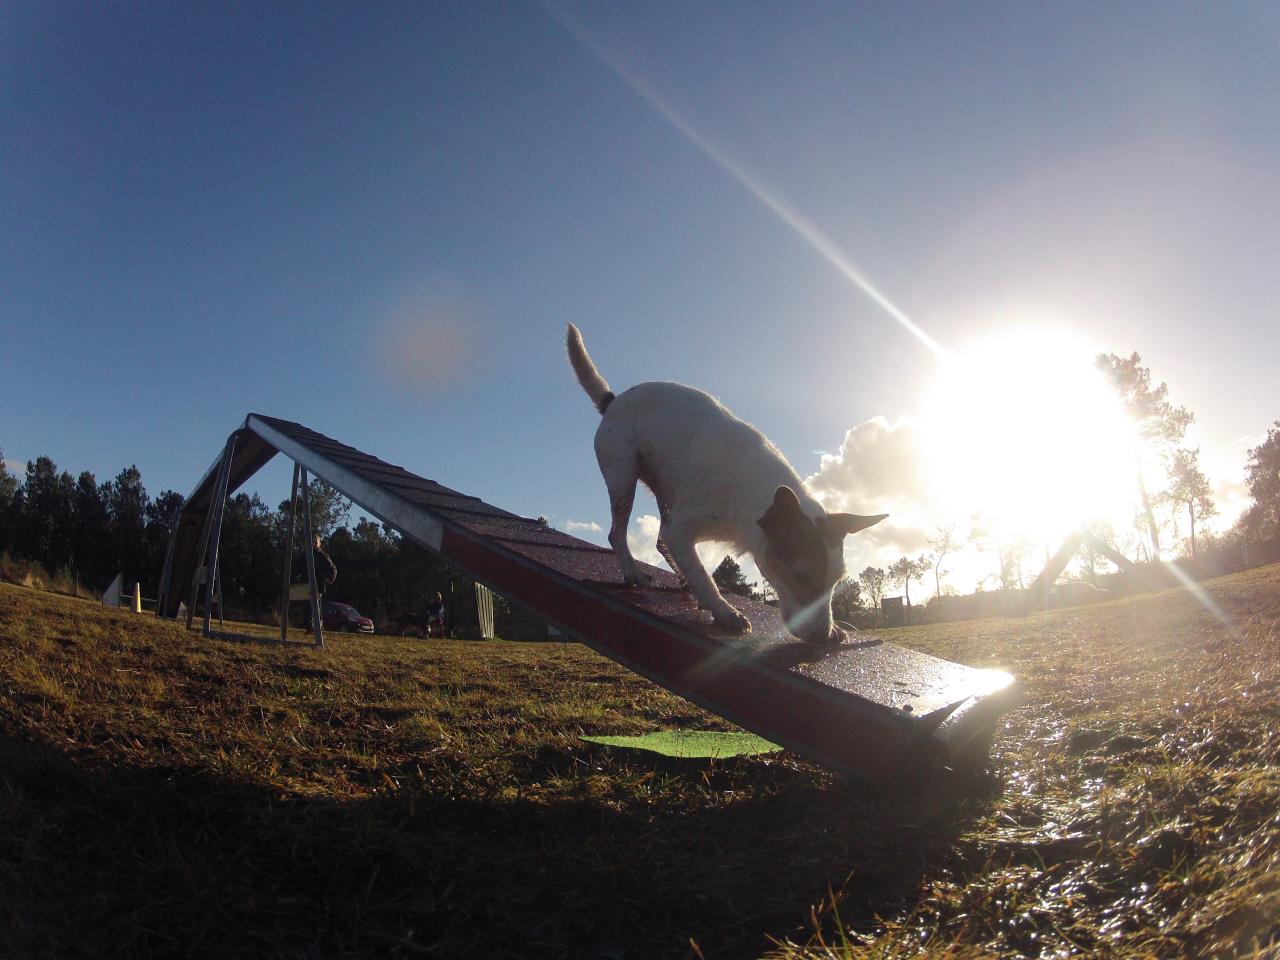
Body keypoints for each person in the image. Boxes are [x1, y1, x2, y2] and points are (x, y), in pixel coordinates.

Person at [295, 534, 337, 631]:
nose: (313, 544)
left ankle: (318, 628)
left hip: (318, 585)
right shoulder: (304, 555)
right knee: (307, 608)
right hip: (305, 585)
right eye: (312, 542)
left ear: (319, 543)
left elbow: (333, 569)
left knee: (316, 607)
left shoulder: (322, 556)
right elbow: (297, 566)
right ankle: (309, 627)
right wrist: (298, 575)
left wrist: (330, 578)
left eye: (315, 542)